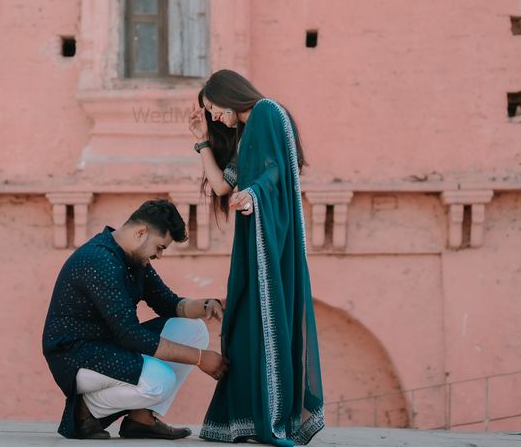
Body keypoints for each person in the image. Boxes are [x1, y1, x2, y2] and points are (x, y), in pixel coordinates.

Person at [189, 69, 325, 446]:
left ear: (229, 95)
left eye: (213, 108)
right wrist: (203, 143)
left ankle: (274, 419)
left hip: (265, 235)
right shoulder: (243, 137)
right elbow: (220, 186)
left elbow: (277, 169)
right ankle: (249, 417)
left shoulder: (266, 111)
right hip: (251, 240)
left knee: (264, 319)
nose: (214, 117)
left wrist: (255, 195)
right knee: (245, 320)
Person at [42, 199, 229, 440]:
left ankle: (141, 419)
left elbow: (168, 304)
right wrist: (200, 359)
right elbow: (129, 335)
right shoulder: (99, 261)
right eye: (160, 247)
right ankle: (84, 410)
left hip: (109, 348)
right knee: (160, 382)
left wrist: (207, 306)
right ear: (141, 232)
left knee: (193, 330)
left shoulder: (133, 259)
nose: (159, 255)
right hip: (75, 356)